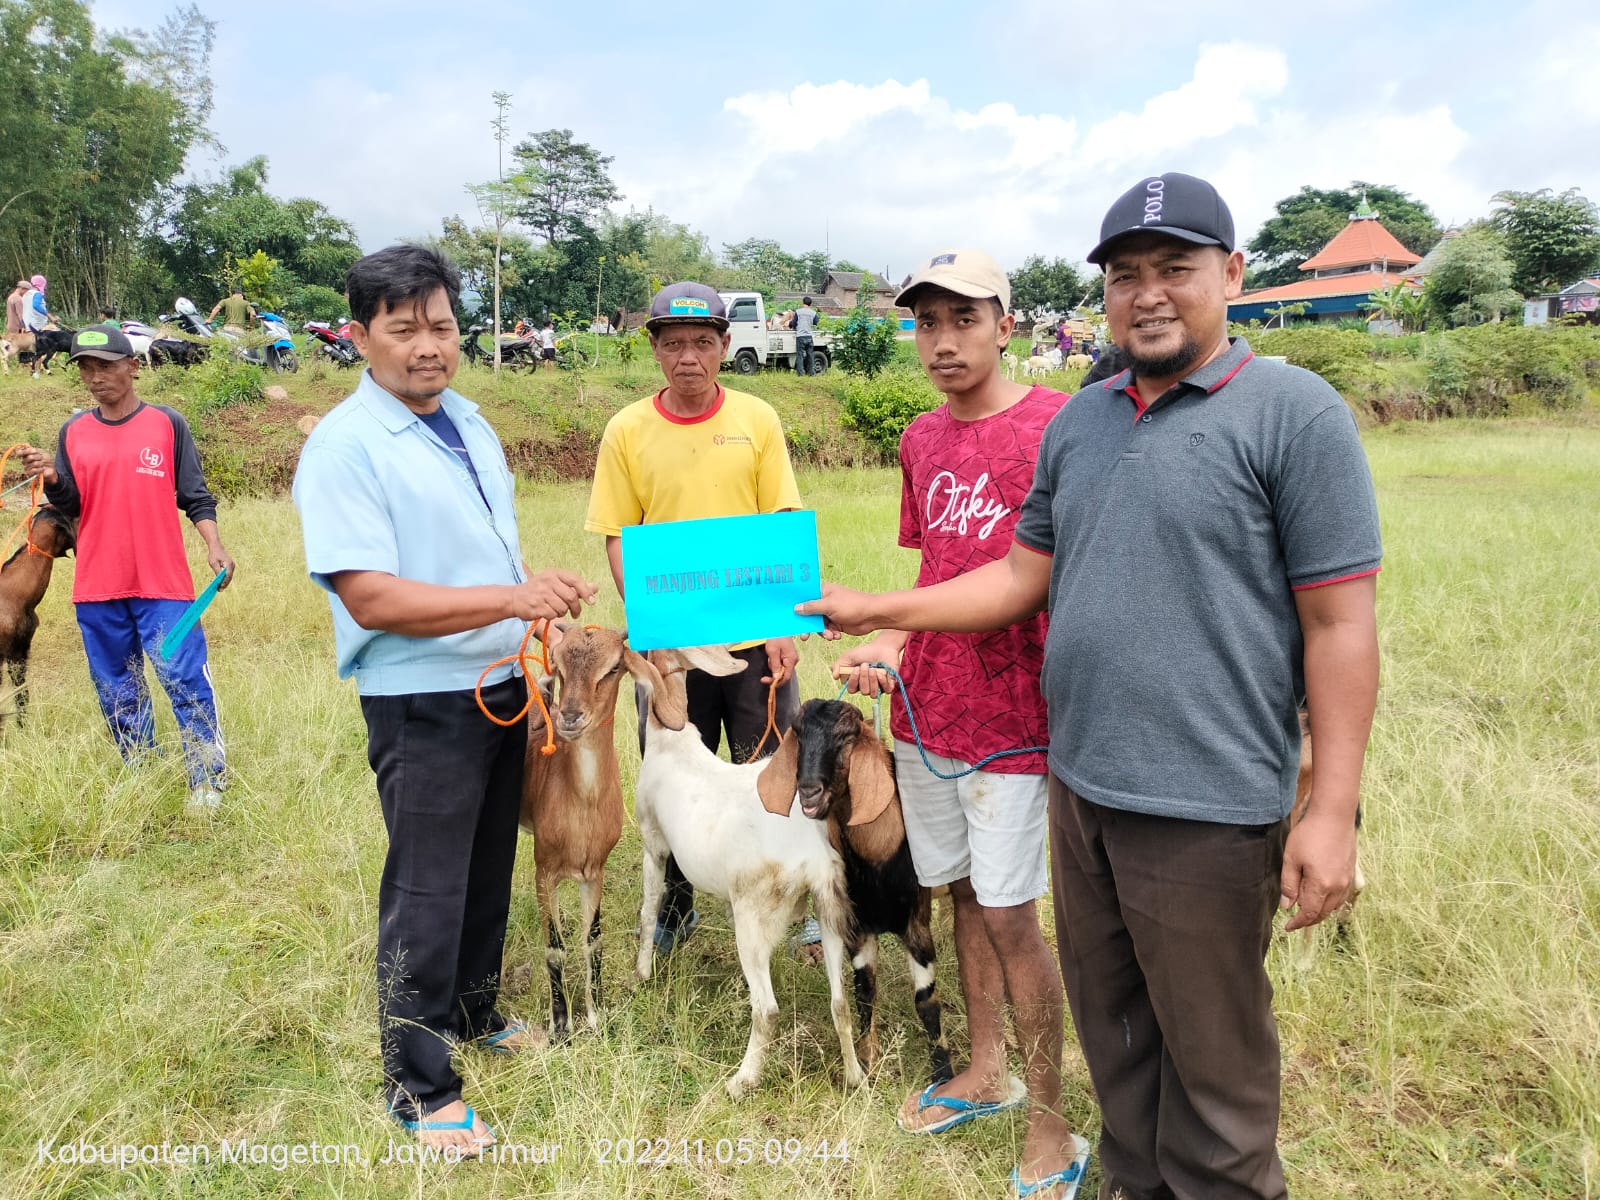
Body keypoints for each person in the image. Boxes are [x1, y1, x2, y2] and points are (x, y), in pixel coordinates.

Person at [799, 172, 1382, 1200]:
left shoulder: (1294, 413)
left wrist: (1330, 811)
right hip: (1081, 788)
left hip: (1208, 803)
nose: (1147, 294)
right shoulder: (1084, 423)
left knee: (1213, 1073)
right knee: (1118, 1045)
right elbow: (1017, 579)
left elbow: (1341, 625)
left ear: (1232, 274)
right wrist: (878, 610)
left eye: (1174, 269)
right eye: (1124, 276)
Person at [292, 245, 597, 1152]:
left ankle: (473, 1012)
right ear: (361, 337)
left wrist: (530, 600)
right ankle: (418, 1086)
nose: (428, 346)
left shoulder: (467, 420)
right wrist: (511, 599)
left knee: (486, 867)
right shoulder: (346, 446)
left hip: (499, 683)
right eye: (404, 329)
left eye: (442, 326)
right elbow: (370, 597)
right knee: (426, 887)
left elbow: (486, 551)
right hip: (422, 700)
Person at [830, 249, 1089, 1198]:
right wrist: (891, 644)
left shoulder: (1059, 427)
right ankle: (985, 1070)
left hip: (1020, 717)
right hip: (928, 713)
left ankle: (1051, 1123)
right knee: (961, 896)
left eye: (964, 319)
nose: (942, 341)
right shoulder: (920, 439)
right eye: (926, 322)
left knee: (1014, 916)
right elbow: (938, 570)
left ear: (1006, 326)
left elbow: (1045, 578)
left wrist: (880, 611)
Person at [585, 280, 803, 955]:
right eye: (674, 343)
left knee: (774, 765)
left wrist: (782, 626)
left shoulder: (757, 419)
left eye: (703, 343)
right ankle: (676, 910)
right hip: (673, 653)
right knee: (674, 778)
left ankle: (790, 897)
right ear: (654, 348)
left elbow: (781, 524)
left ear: (725, 345)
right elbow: (619, 535)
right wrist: (653, 624)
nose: (689, 357)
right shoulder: (627, 430)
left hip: (753, 640)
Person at [17, 328, 235, 808]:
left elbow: (195, 495)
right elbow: (72, 505)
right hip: (98, 588)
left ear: (133, 367)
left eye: (105, 366)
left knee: (184, 677)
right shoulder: (73, 432)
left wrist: (214, 546)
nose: (95, 377)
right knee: (117, 688)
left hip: (165, 587)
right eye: (85, 368)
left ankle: (207, 779)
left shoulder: (167, 424)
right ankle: (142, 772)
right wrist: (52, 478)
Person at [20, 274, 54, 377]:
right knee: (40, 348)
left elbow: (24, 311)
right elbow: (36, 305)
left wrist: (23, 325)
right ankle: (37, 371)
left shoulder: (25, 295)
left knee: (33, 349)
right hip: (38, 326)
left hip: (29, 325)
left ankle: (34, 370)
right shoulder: (37, 294)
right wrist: (49, 315)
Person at [5, 280, 33, 364]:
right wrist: (24, 326)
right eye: (27, 291)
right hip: (18, 327)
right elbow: (20, 315)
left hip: (10, 325)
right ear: (22, 289)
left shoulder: (11, 297)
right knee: (22, 345)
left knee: (11, 346)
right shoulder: (18, 299)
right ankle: (24, 363)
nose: (26, 294)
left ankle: (21, 364)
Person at [792, 295, 820, 375]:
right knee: (810, 355)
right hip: (809, 336)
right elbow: (816, 322)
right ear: (810, 304)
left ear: (803, 302)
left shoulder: (798, 312)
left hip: (800, 336)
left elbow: (794, 323)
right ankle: (811, 372)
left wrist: (793, 326)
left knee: (800, 355)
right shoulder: (813, 313)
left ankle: (800, 373)